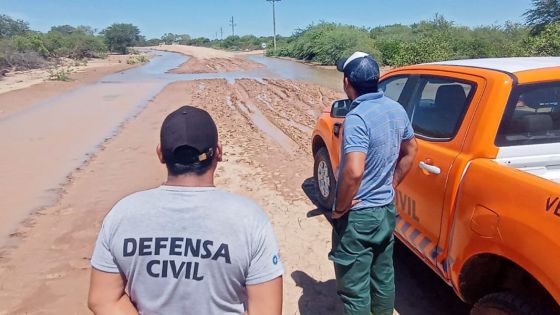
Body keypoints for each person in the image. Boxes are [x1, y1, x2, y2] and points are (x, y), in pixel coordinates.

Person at [88, 106, 284, 315]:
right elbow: (266, 310)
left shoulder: (122, 214)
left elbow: (103, 300)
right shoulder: (249, 219)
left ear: (161, 154)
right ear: (218, 153)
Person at [329, 52, 418, 315]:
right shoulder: (396, 109)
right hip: (385, 210)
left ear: (347, 82)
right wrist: (392, 184)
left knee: (355, 290)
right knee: (383, 277)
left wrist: (340, 209)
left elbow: (354, 172)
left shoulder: (357, 117)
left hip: (359, 217)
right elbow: (411, 150)